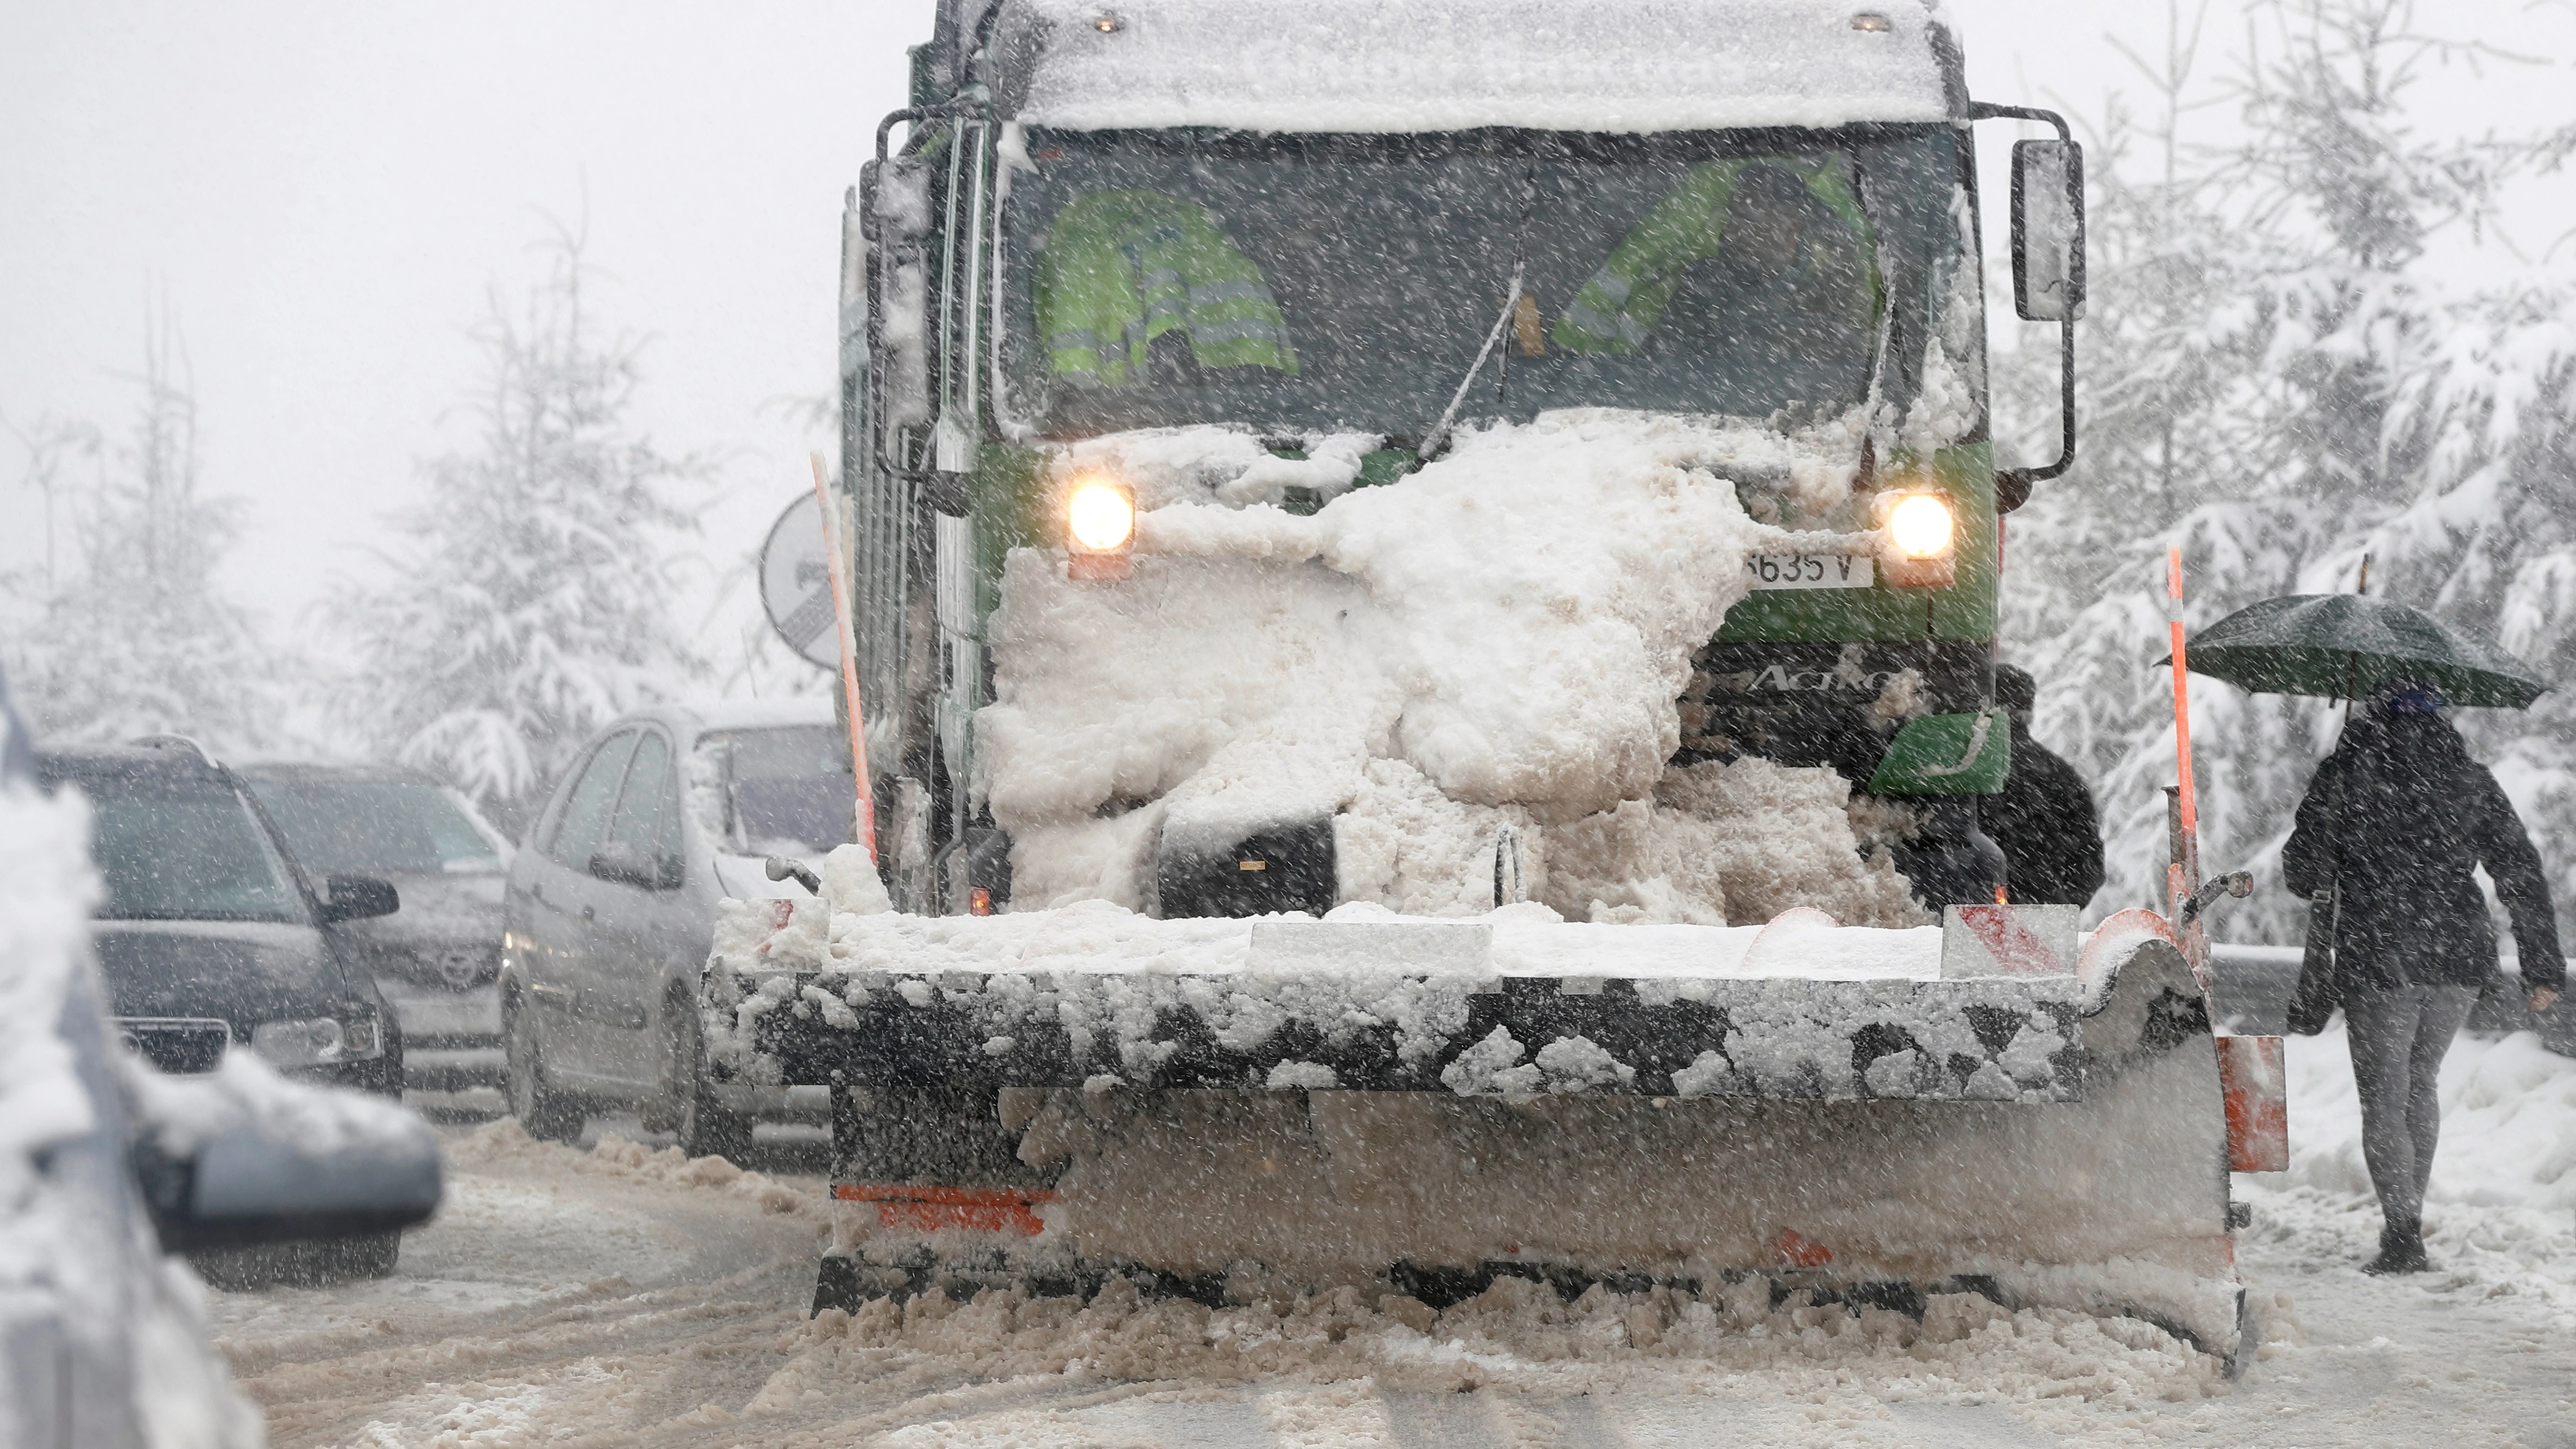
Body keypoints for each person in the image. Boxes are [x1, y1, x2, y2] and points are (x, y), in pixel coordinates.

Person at [2282, 681, 2564, 1275]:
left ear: (2371, 712)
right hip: (2457, 953)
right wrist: (2541, 963)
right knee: (2420, 1082)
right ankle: (2407, 1218)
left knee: (2384, 1094)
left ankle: (2402, 1233)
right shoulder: (2468, 778)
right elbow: (2518, 868)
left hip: (2380, 952)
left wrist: (2333, 792)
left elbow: (2303, 872)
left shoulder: (2350, 771)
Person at [1978, 664, 2106, 907]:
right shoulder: (2061, 777)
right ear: (2030, 711)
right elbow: (2090, 867)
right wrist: (2056, 905)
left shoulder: (1956, 772)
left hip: (1958, 915)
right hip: (2039, 922)